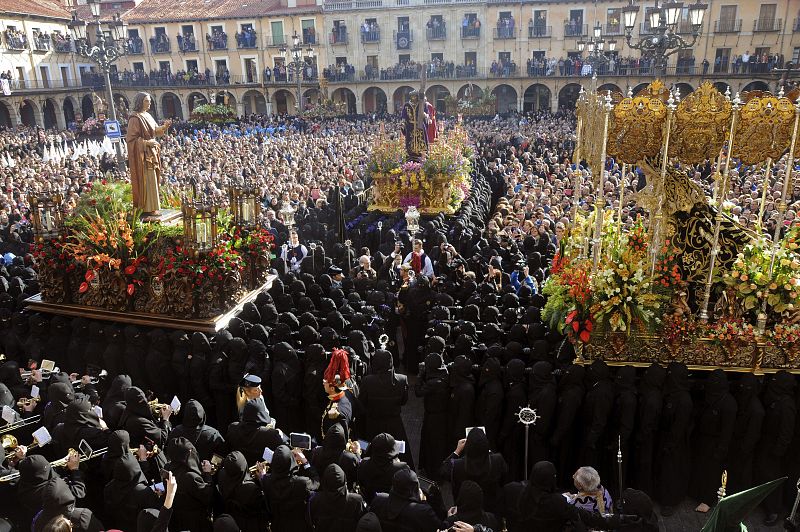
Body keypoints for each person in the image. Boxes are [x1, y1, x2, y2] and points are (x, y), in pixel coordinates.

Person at [126, 92, 171, 215]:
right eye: (147, 100)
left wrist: (164, 127)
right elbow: (131, 140)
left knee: (154, 178)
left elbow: (155, 131)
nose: (149, 103)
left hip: (152, 153)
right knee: (148, 178)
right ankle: (147, 207)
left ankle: (154, 206)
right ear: (140, 102)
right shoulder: (135, 118)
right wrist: (146, 143)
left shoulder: (148, 116)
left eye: (150, 100)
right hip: (143, 155)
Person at [260, 444, 319, 532]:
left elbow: (265, 480)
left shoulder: (266, 481)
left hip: (278, 527)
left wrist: (263, 475)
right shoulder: (302, 483)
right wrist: (305, 461)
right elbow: (316, 482)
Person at [369, 468, 447, 532]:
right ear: (415, 488)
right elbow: (440, 527)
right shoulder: (423, 511)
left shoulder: (378, 500)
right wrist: (424, 502)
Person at [164, 437, 214, 532]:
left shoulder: (168, 468)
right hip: (194, 523)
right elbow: (208, 496)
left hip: (174, 520)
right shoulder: (191, 477)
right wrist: (208, 474)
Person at [308, 463, 367, 531]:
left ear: (325, 480)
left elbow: (310, 522)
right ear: (344, 480)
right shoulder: (356, 500)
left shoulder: (315, 499)